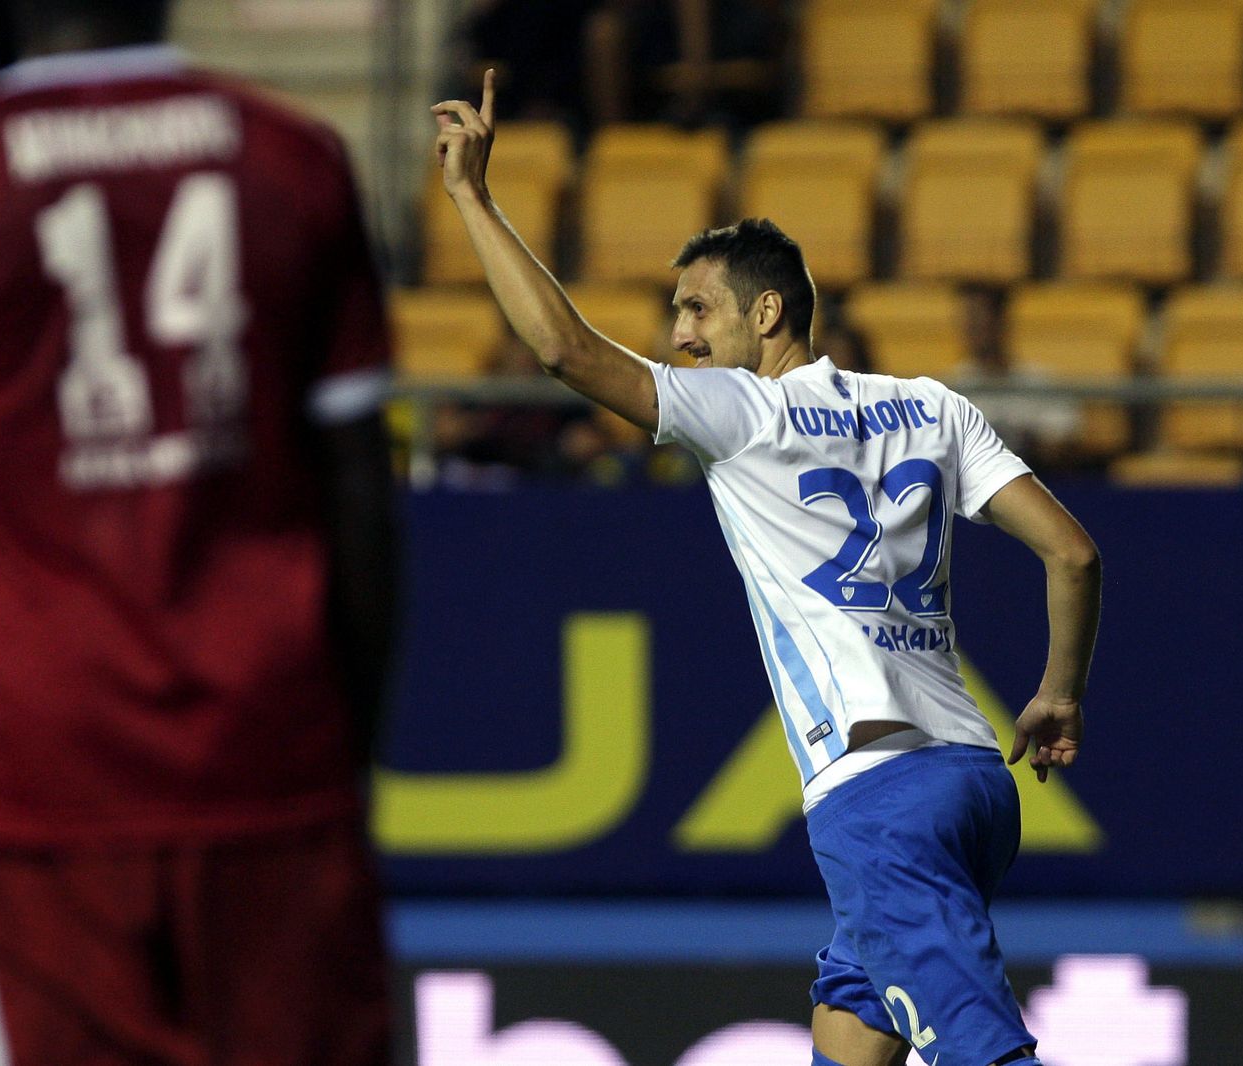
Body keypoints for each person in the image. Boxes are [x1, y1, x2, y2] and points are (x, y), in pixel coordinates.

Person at [435, 72, 1100, 1066]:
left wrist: (472, 199)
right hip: (972, 782)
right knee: (852, 1019)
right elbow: (1073, 550)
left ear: (769, 313)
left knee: (984, 1055)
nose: (679, 336)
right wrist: (1055, 694)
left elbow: (565, 351)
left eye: (697, 309)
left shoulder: (745, 414)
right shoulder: (931, 405)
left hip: (875, 793)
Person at [0, 1, 399, 1063]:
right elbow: (359, 496)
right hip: (273, 767)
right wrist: (338, 767)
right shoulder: (293, 159)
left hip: (43, 784)